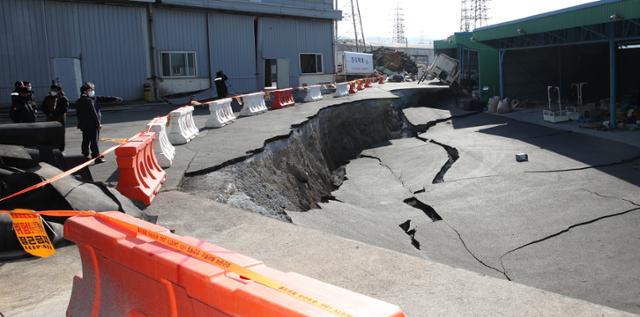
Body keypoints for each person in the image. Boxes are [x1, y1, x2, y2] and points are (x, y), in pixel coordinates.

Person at [75, 82, 104, 163]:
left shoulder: (78, 101)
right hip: (92, 125)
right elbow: (93, 113)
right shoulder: (88, 100)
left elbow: (78, 114)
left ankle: (85, 156)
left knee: (85, 140)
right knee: (94, 141)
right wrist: (98, 124)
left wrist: (79, 124)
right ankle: (97, 157)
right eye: (91, 90)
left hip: (84, 125)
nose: (92, 91)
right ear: (85, 91)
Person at [41, 81, 69, 151]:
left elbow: (64, 109)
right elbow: (43, 107)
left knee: (60, 135)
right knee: (51, 135)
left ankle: (61, 149)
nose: (53, 91)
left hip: (60, 120)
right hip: (50, 119)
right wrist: (48, 113)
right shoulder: (47, 98)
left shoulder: (63, 98)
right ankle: (52, 148)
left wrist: (55, 114)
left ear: (59, 91)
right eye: (52, 90)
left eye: (55, 90)